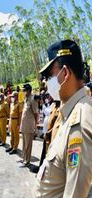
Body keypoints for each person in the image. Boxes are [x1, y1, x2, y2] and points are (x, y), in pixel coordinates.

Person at [35, 40, 92, 197]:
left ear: (65, 73)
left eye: (49, 76)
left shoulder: (79, 122)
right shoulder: (70, 111)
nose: (46, 82)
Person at [19, 83, 38, 166]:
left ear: (29, 90)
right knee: (24, 143)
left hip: (29, 125)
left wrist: (35, 125)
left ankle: (27, 160)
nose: (23, 92)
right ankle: (24, 158)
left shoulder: (33, 99)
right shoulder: (25, 99)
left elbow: (36, 114)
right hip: (24, 125)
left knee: (28, 144)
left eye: (24, 90)